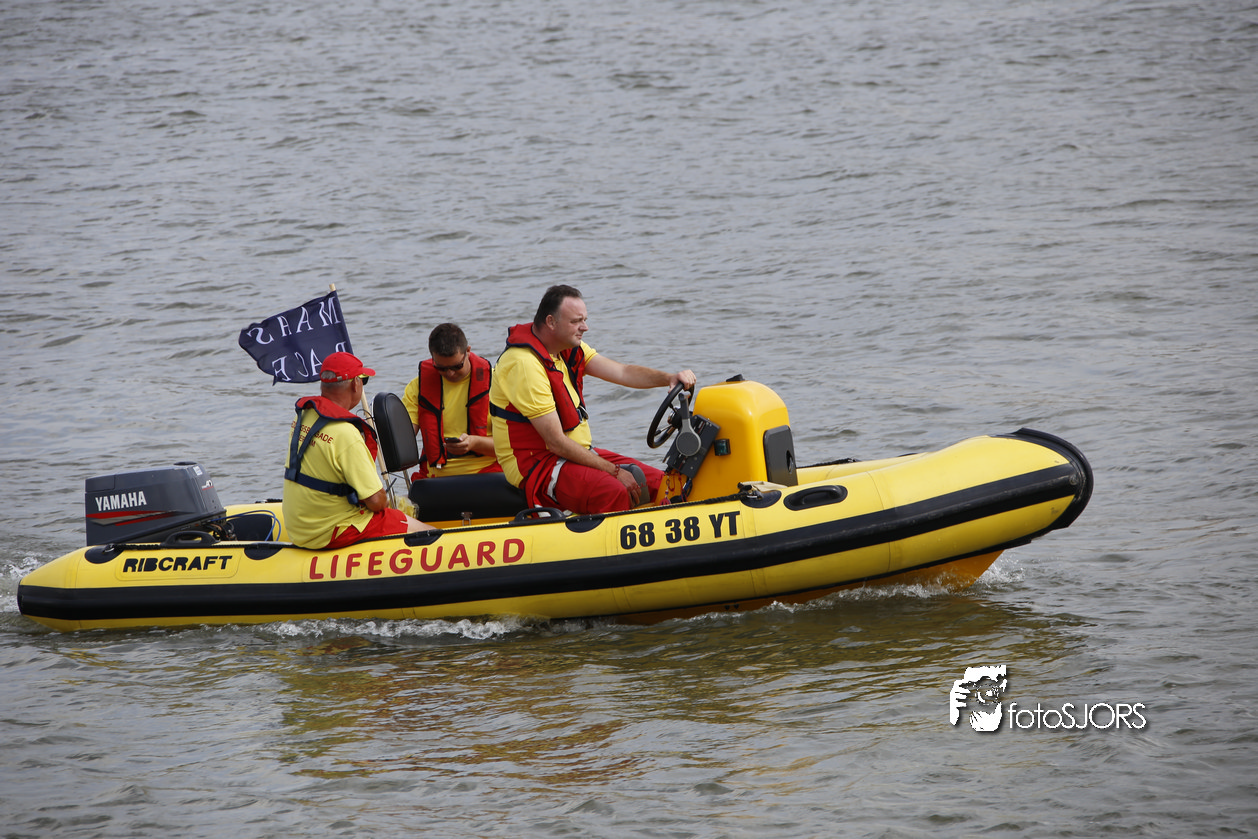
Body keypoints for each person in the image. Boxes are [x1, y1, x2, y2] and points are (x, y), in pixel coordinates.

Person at [489, 284, 696, 514]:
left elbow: (623, 372)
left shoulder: (565, 348)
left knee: (663, 483)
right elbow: (555, 442)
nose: (585, 327)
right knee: (614, 491)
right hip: (537, 464)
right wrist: (615, 471)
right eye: (576, 321)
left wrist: (668, 378)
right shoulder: (524, 364)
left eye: (585, 320)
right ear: (551, 322)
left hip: (575, 452)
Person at [283, 351, 432, 549]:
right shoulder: (346, 434)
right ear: (356, 384)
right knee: (426, 531)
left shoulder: (303, 417)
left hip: (300, 529)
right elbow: (377, 502)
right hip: (330, 532)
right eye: (363, 380)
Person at [401, 323, 501, 479]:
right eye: (441, 368)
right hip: (434, 479)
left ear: (468, 351)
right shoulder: (417, 387)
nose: (450, 373)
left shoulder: (498, 384)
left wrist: (474, 442)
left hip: (489, 475)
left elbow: (514, 445)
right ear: (432, 358)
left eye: (457, 366)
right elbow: (403, 439)